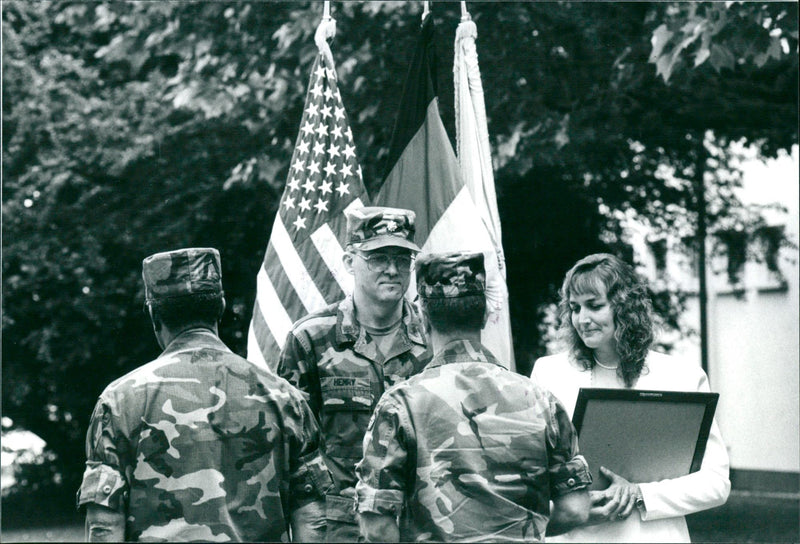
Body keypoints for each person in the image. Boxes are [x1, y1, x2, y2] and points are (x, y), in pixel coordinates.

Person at [77, 247, 332, 542]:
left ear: (152, 313)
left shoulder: (119, 402)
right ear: (220, 307)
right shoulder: (285, 398)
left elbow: (104, 527)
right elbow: (313, 520)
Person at [355, 251, 592, 542]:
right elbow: (576, 509)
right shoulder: (541, 400)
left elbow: (376, 527)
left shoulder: (401, 404)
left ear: (422, 317)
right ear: (485, 315)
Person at [531, 253, 730, 543]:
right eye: (575, 308)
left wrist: (639, 493)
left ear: (624, 306)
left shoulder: (681, 376)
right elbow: (531, 475)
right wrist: (574, 506)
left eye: (594, 306)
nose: (582, 319)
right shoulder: (548, 372)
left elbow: (715, 483)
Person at [277, 206, 432, 542]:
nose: (392, 270)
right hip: (341, 525)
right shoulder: (311, 339)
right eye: (378, 258)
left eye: (402, 259)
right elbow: (292, 447)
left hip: (422, 523)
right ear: (349, 261)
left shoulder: (434, 338)